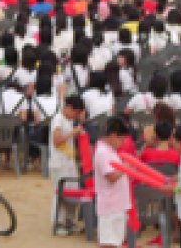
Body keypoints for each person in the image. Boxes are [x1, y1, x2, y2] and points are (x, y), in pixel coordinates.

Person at [94, 117, 132, 248]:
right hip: (110, 206)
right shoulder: (103, 151)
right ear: (113, 135)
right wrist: (125, 168)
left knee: (114, 241)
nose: (122, 143)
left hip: (116, 204)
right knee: (108, 242)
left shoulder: (108, 150)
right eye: (121, 139)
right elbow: (111, 176)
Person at [50, 96, 85, 235]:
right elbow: (57, 140)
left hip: (69, 161)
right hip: (59, 162)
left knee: (73, 192)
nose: (75, 115)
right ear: (69, 107)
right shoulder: (57, 119)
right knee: (60, 193)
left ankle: (69, 221)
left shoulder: (68, 120)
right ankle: (58, 223)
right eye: (75, 112)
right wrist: (72, 133)